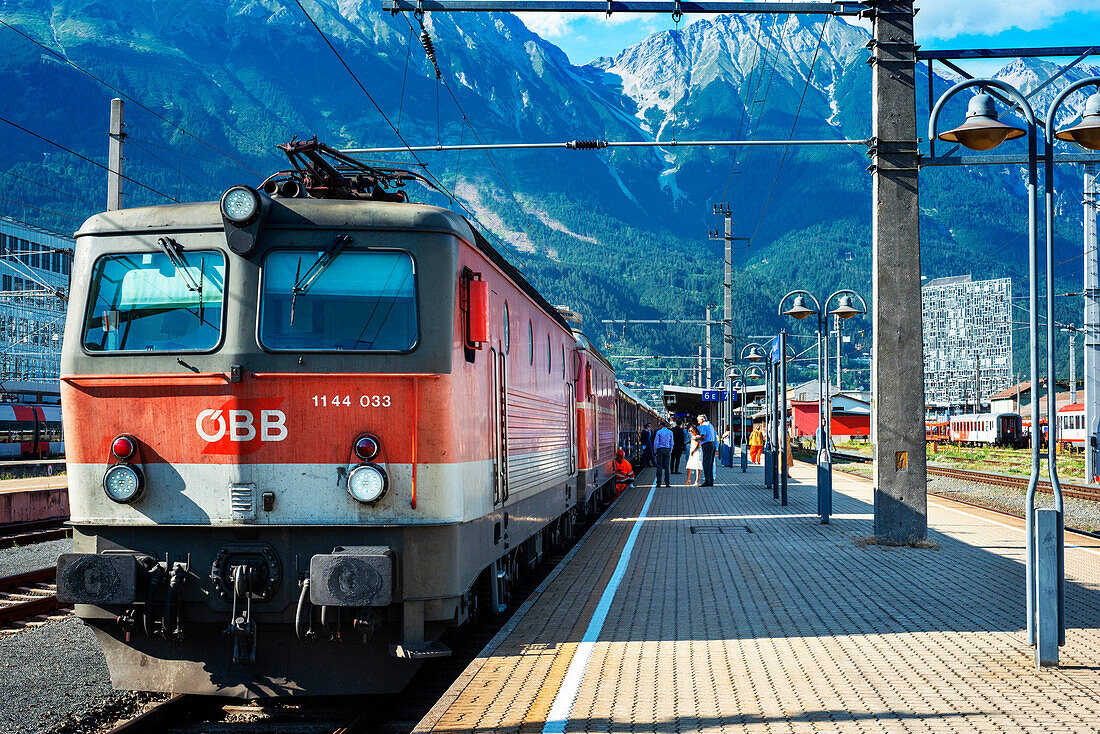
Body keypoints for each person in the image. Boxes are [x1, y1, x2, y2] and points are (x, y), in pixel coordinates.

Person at [696, 414, 717, 486]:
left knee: (706, 463)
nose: (698, 421)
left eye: (698, 419)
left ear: (702, 419)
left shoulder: (704, 426)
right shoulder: (710, 425)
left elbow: (703, 437)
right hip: (712, 444)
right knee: (710, 464)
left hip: (707, 445)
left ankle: (707, 481)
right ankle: (710, 481)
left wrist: (696, 438)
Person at [653, 422, 673, 487]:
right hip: (667, 449)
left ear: (661, 425)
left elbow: (656, 443)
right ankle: (667, 483)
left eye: (659, 425)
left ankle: (658, 483)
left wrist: (655, 451)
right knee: (667, 467)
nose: (658, 427)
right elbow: (672, 443)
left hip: (660, 449)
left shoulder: (659, 432)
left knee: (659, 466)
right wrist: (670, 450)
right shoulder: (670, 432)